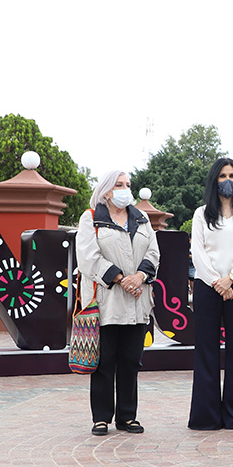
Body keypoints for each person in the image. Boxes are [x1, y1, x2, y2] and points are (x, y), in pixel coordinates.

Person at [76, 170, 160, 436]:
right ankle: (101, 417)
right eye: (119, 184)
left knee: (131, 360)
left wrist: (140, 276)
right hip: (106, 302)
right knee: (104, 361)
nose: (125, 189)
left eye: (128, 184)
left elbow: (154, 252)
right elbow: (88, 258)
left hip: (138, 302)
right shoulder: (92, 219)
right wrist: (122, 279)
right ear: (106, 191)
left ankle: (127, 416)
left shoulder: (141, 218)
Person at [188, 158, 233, 430]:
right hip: (208, 287)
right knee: (206, 350)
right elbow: (199, 253)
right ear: (213, 181)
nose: (227, 180)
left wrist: (231, 279)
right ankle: (205, 417)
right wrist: (218, 282)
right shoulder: (201, 214)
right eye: (221, 176)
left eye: (232, 175)